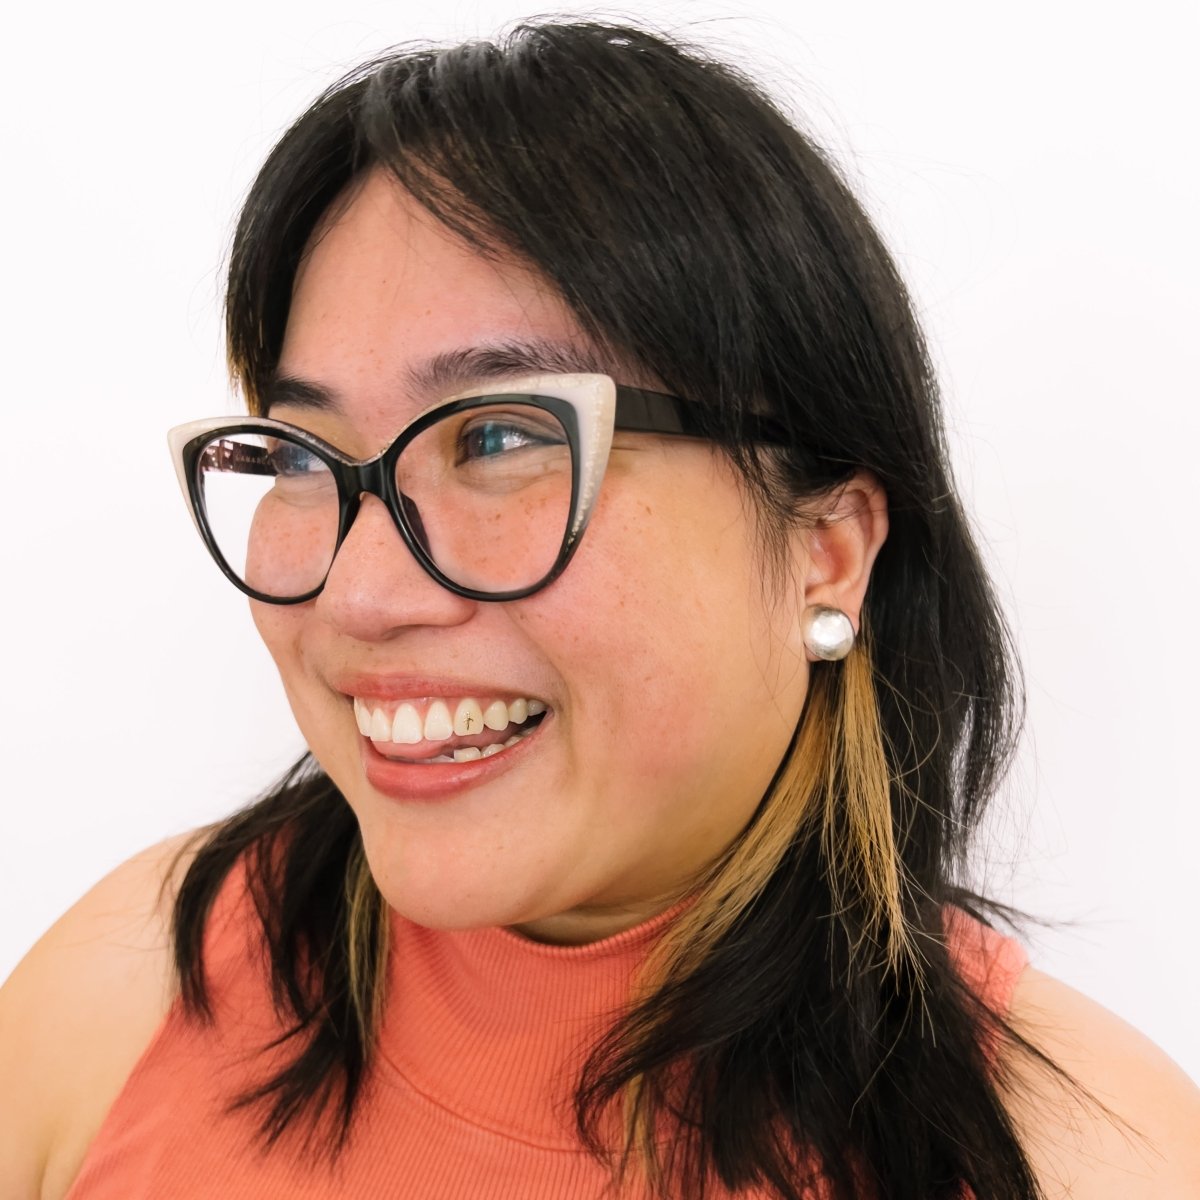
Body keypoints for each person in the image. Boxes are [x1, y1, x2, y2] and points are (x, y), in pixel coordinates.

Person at [2, 18, 1197, 1200]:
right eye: (301, 453)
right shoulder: (132, 988)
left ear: (827, 551)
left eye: (500, 438)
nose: (358, 594)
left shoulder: (1082, 1163)